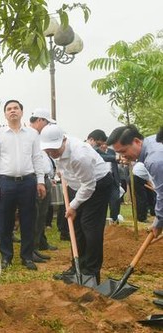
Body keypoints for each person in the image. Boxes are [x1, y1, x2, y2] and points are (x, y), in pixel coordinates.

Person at [41, 124, 113, 284]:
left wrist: (73, 205)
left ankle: (91, 273)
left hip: (98, 185)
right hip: (77, 185)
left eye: (54, 149)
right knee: (76, 227)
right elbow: (65, 171)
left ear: (63, 140)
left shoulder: (79, 155)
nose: (51, 152)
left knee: (90, 226)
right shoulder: (53, 151)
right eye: (48, 149)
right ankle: (77, 268)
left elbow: (89, 185)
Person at [0, 100, 46, 271]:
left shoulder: (32, 134)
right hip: (5, 182)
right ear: (5, 114)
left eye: (16, 108)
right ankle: (7, 256)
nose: (12, 111)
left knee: (28, 220)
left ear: (22, 112)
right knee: (5, 221)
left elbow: (37, 158)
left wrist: (40, 181)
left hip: (28, 181)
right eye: (9, 109)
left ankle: (27, 256)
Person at [106, 125, 162, 238]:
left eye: (124, 151)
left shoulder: (154, 160)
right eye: (119, 153)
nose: (123, 156)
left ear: (136, 141)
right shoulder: (151, 141)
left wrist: (158, 223)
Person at [28, 108, 58, 261]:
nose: (48, 126)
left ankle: (39, 244)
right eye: (46, 122)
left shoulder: (39, 137)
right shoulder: (28, 135)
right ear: (39, 120)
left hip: (44, 178)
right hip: (35, 180)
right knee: (36, 215)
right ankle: (32, 249)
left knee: (42, 215)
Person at [87, 129, 122, 224]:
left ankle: (114, 220)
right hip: (94, 181)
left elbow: (104, 155)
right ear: (91, 140)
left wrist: (120, 158)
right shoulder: (86, 149)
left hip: (110, 179)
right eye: (99, 144)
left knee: (115, 200)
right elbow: (100, 157)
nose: (100, 146)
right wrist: (116, 158)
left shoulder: (99, 149)